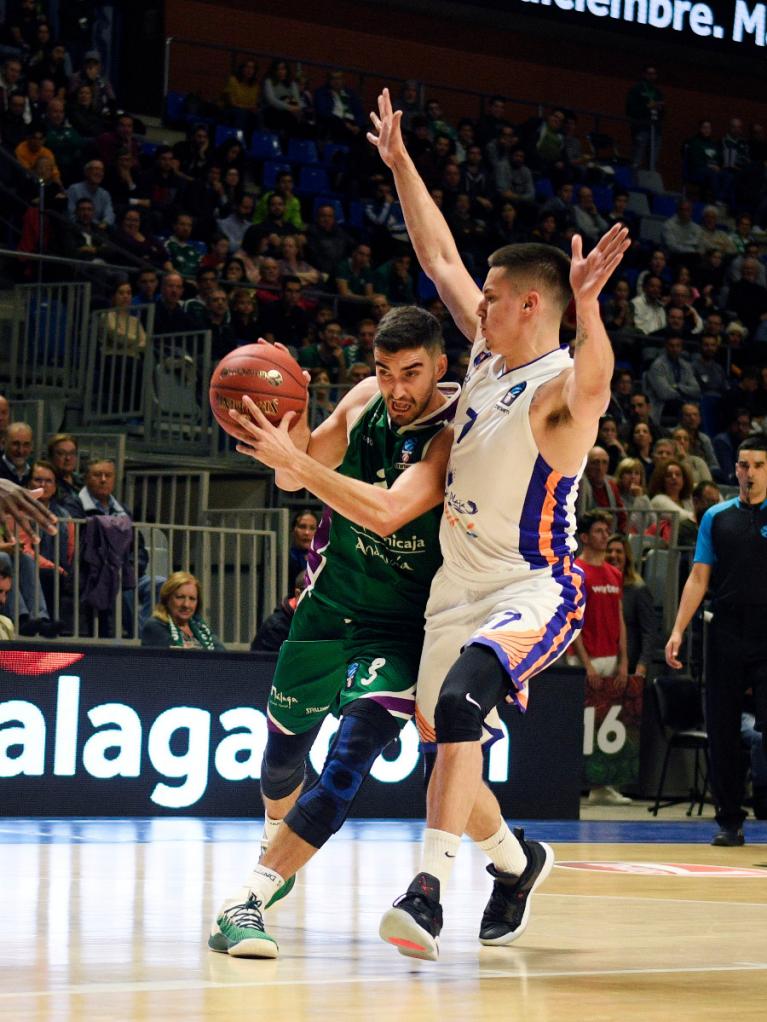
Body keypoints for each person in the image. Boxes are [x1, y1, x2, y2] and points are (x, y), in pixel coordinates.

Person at [361, 89, 629, 960]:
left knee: (460, 701)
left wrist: (590, 312)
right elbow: (437, 253)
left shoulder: (557, 390)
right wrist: (401, 163)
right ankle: (516, 864)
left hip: (532, 586)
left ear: (532, 307)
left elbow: (596, 388)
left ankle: (428, 892)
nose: (476, 302)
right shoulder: (484, 354)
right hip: (456, 585)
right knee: (449, 737)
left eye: (494, 295)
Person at [208, 307, 460, 957]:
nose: (396, 389)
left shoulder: (457, 434)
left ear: (440, 366)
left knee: (349, 758)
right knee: (283, 756)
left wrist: (296, 460)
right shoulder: (364, 401)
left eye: (411, 373)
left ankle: (248, 898)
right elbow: (293, 476)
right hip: (328, 605)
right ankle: (277, 842)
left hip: (402, 627)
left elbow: (386, 514)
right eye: (383, 371)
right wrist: (287, 435)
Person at [666, 436, 767, 847]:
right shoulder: (716, 517)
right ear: (735, 470)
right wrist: (676, 630)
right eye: (744, 465)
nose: (750, 472)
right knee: (722, 729)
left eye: (759, 465)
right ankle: (729, 820)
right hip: (724, 629)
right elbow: (698, 576)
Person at [566, 511, 630, 805]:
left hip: (610, 657)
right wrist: (587, 663)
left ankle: (602, 786)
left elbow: (619, 618)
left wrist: (624, 659)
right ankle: (573, 785)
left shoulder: (614, 573)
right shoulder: (576, 571)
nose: (606, 536)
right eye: (600, 531)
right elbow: (573, 620)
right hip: (583, 660)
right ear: (585, 537)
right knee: (579, 724)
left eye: (607, 531)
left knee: (605, 724)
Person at [606, 533, 657, 678]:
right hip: (602, 662)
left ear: (627, 557)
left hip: (629, 666)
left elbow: (649, 632)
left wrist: (642, 665)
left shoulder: (638, 589)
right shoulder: (598, 586)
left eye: (619, 551)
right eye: (609, 551)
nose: (613, 555)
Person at [141, 571, 225, 650]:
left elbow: (223, 656)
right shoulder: (154, 626)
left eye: (192, 599)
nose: (186, 605)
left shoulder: (200, 627)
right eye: (180, 597)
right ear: (167, 598)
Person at [287, 509, 318, 583]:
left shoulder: (323, 561)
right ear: (293, 530)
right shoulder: (284, 560)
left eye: (312, 528)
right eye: (302, 527)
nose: (307, 533)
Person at [0, 422, 33, 486]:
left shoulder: (35, 473)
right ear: (3, 443)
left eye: (26, 444)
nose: (21, 450)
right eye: (15, 444)